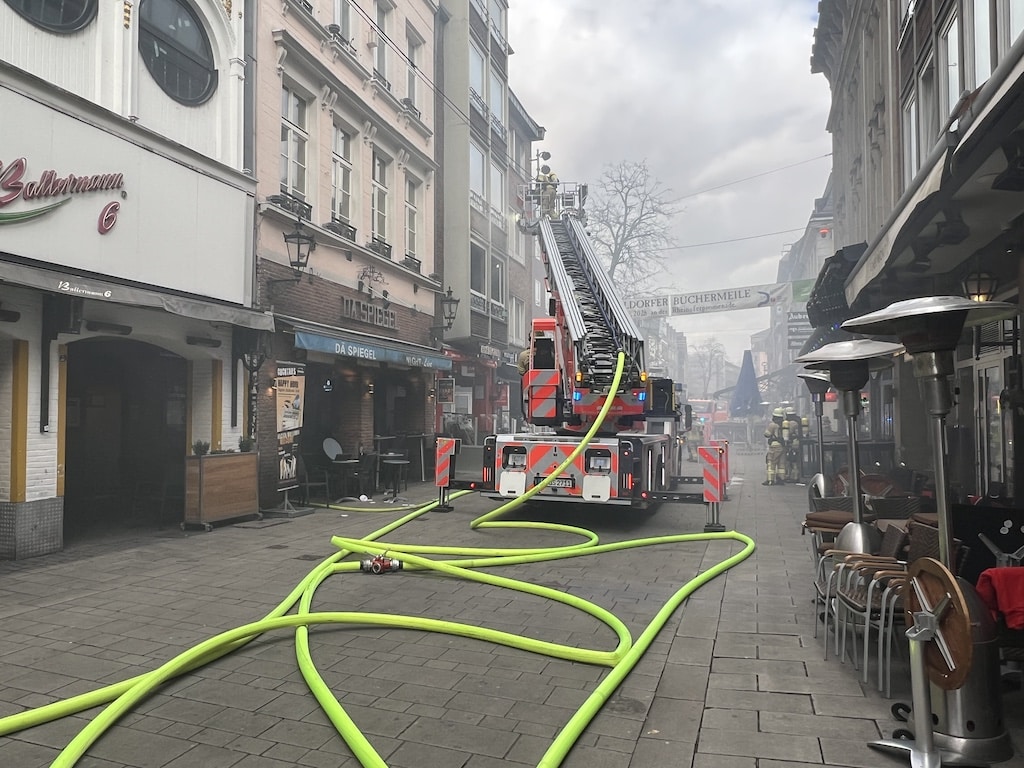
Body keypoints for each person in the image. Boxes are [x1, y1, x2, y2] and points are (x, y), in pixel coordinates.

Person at [763, 407, 786, 485]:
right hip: (783, 446)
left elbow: (767, 434)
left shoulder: (773, 425)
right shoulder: (785, 424)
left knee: (771, 463)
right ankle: (781, 479)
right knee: (781, 464)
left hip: (774, 446)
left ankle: (770, 480)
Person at [783, 406, 802, 482]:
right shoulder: (799, 420)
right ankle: (796, 475)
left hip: (793, 443)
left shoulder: (791, 423)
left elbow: (789, 433)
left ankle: (794, 477)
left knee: (792, 460)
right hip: (799, 441)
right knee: (796, 459)